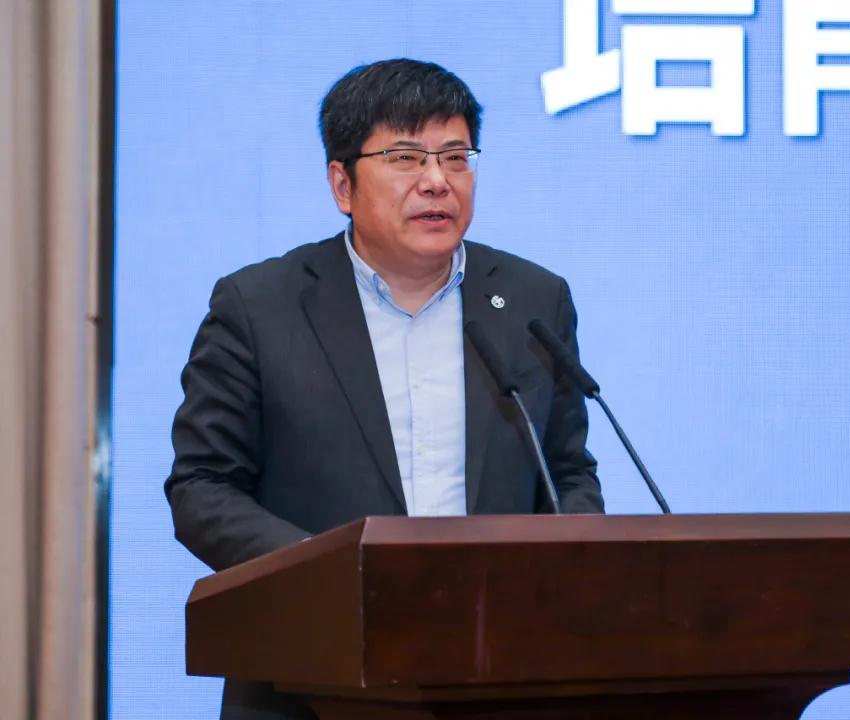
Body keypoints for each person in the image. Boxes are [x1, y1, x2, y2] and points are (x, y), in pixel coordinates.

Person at [165, 59, 604, 719]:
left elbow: (566, 472)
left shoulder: (533, 302)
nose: (437, 181)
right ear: (342, 184)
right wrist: (325, 574)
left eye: (456, 157)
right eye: (405, 158)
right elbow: (202, 487)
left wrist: (569, 568)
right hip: (311, 679)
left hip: (501, 676)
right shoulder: (259, 307)